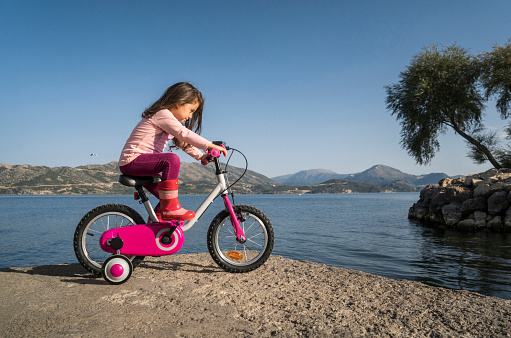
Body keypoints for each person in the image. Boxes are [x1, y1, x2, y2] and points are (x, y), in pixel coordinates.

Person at [118, 82, 227, 222]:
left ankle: (155, 229)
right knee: (171, 159)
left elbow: (183, 142)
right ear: (178, 102)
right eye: (191, 110)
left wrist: (202, 156)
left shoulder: (168, 121)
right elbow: (183, 133)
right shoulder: (162, 114)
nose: (189, 116)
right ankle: (170, 209)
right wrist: (209, 145)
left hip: (143, 165)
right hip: (133, 160)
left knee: (167, 196)